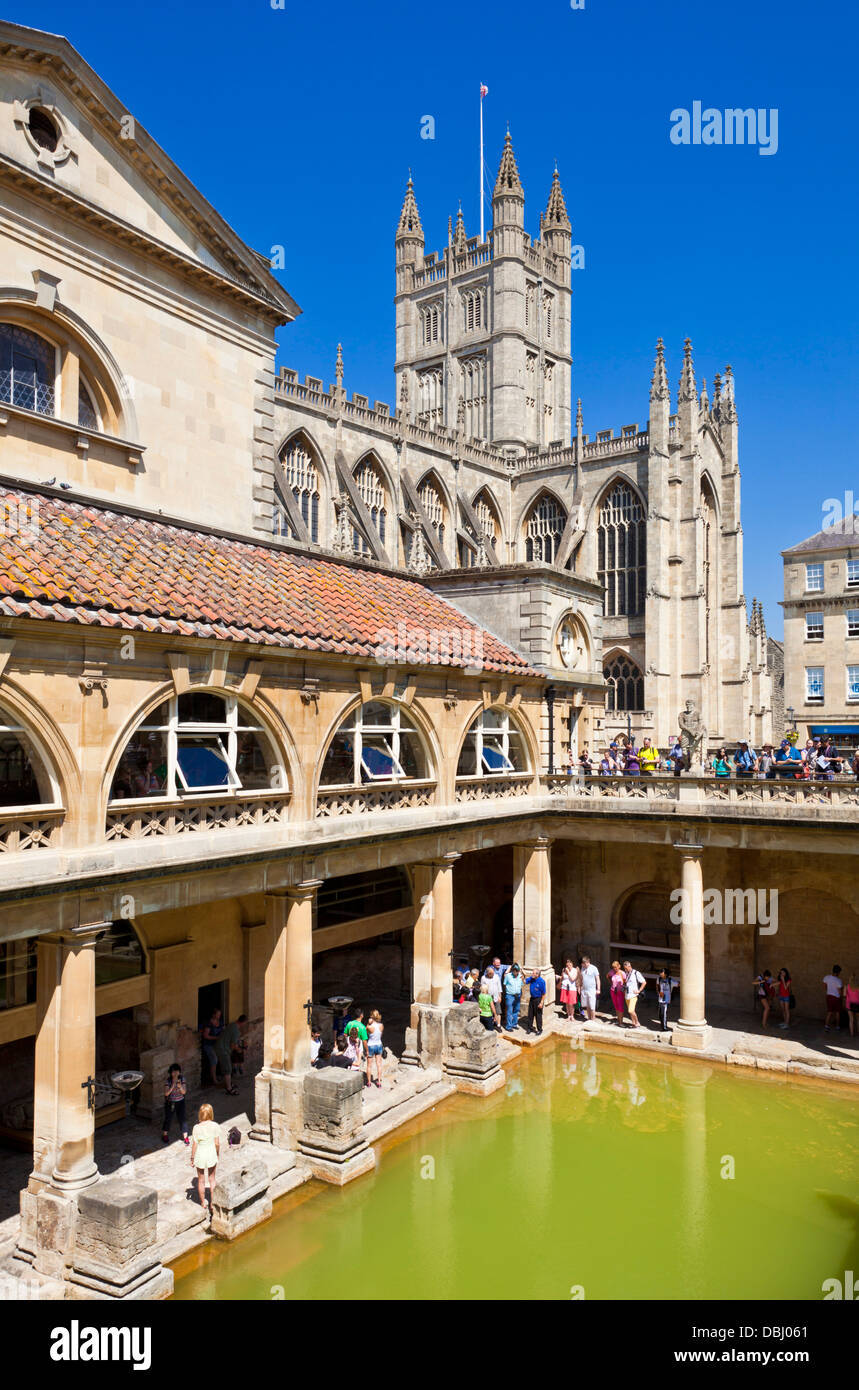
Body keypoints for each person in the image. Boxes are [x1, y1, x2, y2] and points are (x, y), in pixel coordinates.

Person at [190, 1102, 220, 1216]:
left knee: (201, 1180)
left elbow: (195, 1145)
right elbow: (217, 1143)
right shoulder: (215, 1126)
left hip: (200, 1155)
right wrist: (217, 1154)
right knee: (212, 1179)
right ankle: (212, 1203)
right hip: (211, 1153)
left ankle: (203, 1202)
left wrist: (192, 1158)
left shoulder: (196, 1128)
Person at [162, 1063, 189, 1144]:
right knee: (168, 1118)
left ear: (179, 1072)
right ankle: (165, 1135)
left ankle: (186, 1137)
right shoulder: (168, 1081)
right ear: (170, 1073)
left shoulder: (182, 1079)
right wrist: (173, 1086)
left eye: (177, 1071)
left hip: (180, 1102)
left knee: (182, 1119)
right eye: (173, 1072)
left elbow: (184, 1092)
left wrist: (180, 1086)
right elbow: (166, 1093)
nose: (175, 1073)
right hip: (171, 1103)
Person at [200, 1007, 225, 1090]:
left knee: (221, 1057)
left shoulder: (220, 1022)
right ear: (213, 1014)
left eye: (219, 1014)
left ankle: (220, 1075)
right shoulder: (208, 1023)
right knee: (214, 1059)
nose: (219, 1016)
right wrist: (216, 1038)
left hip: (217, 1044)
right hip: (209, 1045)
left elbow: (223, 1031)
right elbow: (205, 1036)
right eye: (218, 1014)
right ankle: (214, 1079)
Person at [344, 1010, 369, 1085]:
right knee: (357, 1067)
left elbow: (345, 1035)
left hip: (348, 1050)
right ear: (362, 1015)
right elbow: (364, 1041)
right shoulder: (362, 1027)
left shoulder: (350, 1023)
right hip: (357, 1051)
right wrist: (367, 1051)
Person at [622, 959, 646, 1028]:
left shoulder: (636, 973)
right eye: (624, 968)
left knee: (631, 1010)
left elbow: (644, 982)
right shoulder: (626, 973)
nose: (625, 969)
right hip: (627, 995)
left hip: (633, 995)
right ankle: (633, 1023)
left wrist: (639, 991)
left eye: (626, 968)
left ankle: (637, 1022)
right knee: (631, 1011)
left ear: (629, 966)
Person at [366, 1009, 384, 1087]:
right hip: (379, 1044)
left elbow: (365, 1032)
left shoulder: (369, 1027)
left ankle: (369, 1082)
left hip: (371, 1045)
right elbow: (381, 1035)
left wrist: (368, 1023)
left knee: (369, 1065)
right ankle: (379, 1082)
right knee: (379, 1064)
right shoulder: (381, 1025)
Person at [823, 965, 844, 1032]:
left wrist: (828, 991)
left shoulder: (827, 977)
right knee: (837, 1012)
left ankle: (826, 1025)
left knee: (829, 1012)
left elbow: (825, 985)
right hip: (836, 997)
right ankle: (837, 1026)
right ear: (838, 972)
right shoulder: (838, 980)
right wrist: (841, 997)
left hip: (829, 996)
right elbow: (839, 991)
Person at [656, 968, 677, 1032]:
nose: (660, 974)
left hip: (666, 999)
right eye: (660, 973)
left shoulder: (670, 981)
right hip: (660, 998)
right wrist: (658, 992)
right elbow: (657, 985)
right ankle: (663, 1025)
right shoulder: (659, 979)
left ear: (665, 974)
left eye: (661, 973)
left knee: (663, 1013)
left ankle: (664, 1028)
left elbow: (678, 984)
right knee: (660, 1014)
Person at [526, 969, 547, 1035]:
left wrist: (541, 1002)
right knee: (530, 1014)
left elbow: (543, 993)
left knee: (538, 1015)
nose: (532, 974)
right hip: (532, 998)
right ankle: (530, 1027)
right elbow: (525, 981)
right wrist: (522, 976)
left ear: (537, 974)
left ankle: (539, 1029)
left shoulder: (541, 981)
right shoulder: (531, 978)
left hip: (538, 999)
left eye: (533, 973)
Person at [503, 963, 523, 1030]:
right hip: (510, 996)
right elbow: (505, 984)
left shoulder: (520, 976)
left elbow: (521, 985)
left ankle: (514, 1024)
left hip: (518, 995)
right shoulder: (508, 976)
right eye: (514, 970)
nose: (515, 972)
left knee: (516, 1010)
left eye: (516, 971)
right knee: (509, 1011)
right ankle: (509, 1026)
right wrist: (508, 992)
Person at [580, 956, 600, 1021]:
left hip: (591, 989)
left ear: (588, 962)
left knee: (592, 1006)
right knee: (587, 1005)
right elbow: (581, 978)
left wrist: (598, 989)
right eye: (583, 963)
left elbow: (597, 979)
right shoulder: (582, 968)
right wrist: (580, 987)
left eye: (585, 963)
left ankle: (593, 1019)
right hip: (584, 989)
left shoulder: (594, 968)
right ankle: (589, 1019)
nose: (584, 965)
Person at [608, 960, 626, 1026]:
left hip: (620, 992)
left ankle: (621, 1022)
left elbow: (625, 981)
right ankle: (619, 1020)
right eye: (613, 967)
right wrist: (611, 983)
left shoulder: (622, 973)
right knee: (616, 1006)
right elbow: (608, 976)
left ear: (619, 966)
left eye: (616, 967)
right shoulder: (611, 972)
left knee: (620, 1006)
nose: (614, 968)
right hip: (613, 991)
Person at [845, 973, 859, 1038]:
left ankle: (852, 1034)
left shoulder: (847, 986)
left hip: (849, 1005)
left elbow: (844, 995)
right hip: (857, 1004)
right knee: (858, 1019)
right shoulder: (858, 987)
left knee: (851, 1020)